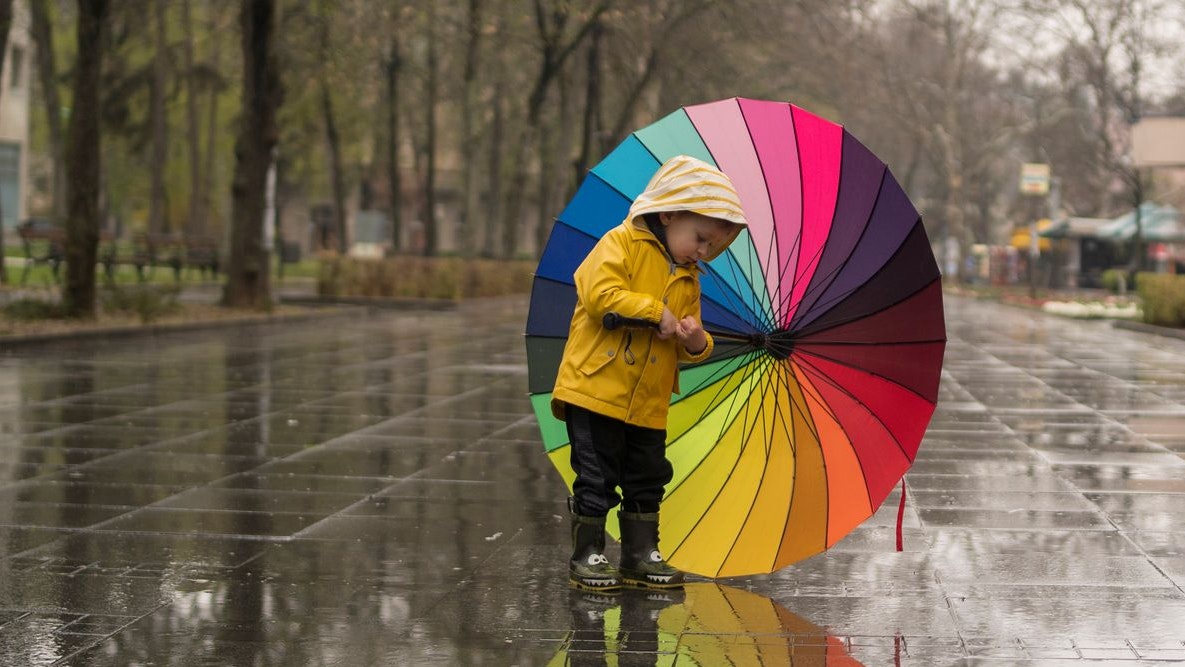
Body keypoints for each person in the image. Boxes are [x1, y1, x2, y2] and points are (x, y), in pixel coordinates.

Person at [551, 155, 747, 591]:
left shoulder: (689, 279)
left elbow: (687, 338)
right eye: (700, 239)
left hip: (648, 400)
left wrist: (696, 341)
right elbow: (600, 293)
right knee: (596, 473)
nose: (703, 252)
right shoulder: (619, 242)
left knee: (647, 474)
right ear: (669, 212)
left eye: (712, 248)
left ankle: (640, 553)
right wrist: (653, 311)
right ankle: (588, 551)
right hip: (596, 387)